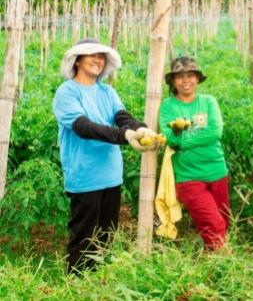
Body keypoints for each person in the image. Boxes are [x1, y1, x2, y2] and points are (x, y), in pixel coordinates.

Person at [53, 38, 158, 275]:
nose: (98, 60)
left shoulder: (106, 91)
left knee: (106, 235)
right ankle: (77, 284)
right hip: (85, 175)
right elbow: (84, 127)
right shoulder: (66, 92)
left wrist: (139, 128)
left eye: (101, 56)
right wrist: (125, 135)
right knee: (83, 236)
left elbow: (122, 116)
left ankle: (98, 282)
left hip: (111, 175)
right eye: (92, 55)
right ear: (77, 60)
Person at [159, 57, 229, 250]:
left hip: (217, 171)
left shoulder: (208, 101)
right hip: (188, 177)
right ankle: (225, 265)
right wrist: (184, 139)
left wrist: (184, 141)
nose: (186, 80)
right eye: (180, 77)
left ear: (197, 79)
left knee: (222, 222)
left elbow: (216, 132)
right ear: (173, 81)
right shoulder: (168, 106)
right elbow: (170, 139)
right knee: (215, 225)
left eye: (190, 75)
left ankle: (212, 263)